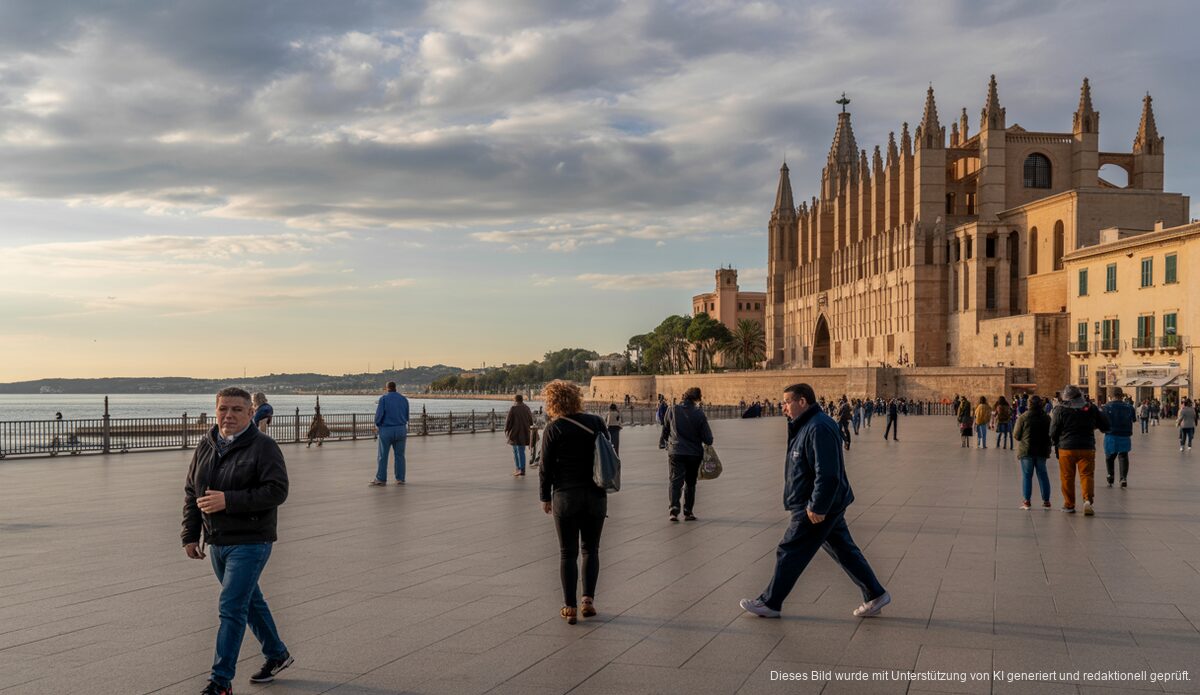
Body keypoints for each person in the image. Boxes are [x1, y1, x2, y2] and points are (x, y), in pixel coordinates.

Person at [739, 383, 890, 620]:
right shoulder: (807, 425)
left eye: (787, 402)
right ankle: (875, 594)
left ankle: (770, 602)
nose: (783, 407)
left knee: (790, 549)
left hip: (815, 505)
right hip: (822, 502)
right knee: (844, 550)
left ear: (802, 402)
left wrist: (817, 505)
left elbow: (828, 472)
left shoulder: (818, 427)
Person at [182, 387, 292, 695]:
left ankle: (220, 682)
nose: (228, 415)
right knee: (249, 600)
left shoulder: (264, 446)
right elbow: (192, 492)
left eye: (236, 410)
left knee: (231, 606)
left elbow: (277, 490)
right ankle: (277, 653)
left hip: (251, 540)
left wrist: (229, 500)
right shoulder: (206, 445)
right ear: (216, 410)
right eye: (223, 409)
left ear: (250, 413)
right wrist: (190, 534)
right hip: (217, 540)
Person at [538, 380, 609, 625]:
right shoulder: (596, 422)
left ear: (552, 402)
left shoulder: (554, 428)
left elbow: (545, 467)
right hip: (595, 494)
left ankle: (569, 606)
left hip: (565, 496)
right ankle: (587, 600)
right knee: (591, 550)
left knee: (568, 553)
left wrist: (545, 497)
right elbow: (607, 454)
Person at [1049, 384, 1110, 516]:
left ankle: (1069, 504)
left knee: (1067, 477)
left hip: (1066, 448)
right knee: (1087, 475)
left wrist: (1054, 443)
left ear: (1066, 396)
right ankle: (1087, 501)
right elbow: (1105, 425)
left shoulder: (1060, 409)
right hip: (1087, 447)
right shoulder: (1091, 408)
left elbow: (1053, 431)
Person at [660, 387, 714, 522]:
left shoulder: (672, 410)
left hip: (676, 451)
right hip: (694, 454)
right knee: (690, 482)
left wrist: (666, 442)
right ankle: (688, 512)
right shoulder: (699, 414)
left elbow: (665, 429)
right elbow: (708, 439)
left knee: (675, 481)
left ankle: (674, 510)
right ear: (697, 399)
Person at [1013, 395, 1053, 509]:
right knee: (1043, 475)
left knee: (1027, 476)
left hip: (1027, 450)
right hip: (1042, 450)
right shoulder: (1047, 418)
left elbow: (1016, 435)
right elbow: (1051, 433)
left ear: (1029, 404)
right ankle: (1046, 501)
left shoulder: (1023, 417)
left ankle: (1027, 501)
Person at [372, 381, 410, 486]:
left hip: (386, 430)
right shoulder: (404, 399)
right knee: (400, 455)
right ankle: (400, 479)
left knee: (383, 455)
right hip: (401, 429)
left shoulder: (383, 399)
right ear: (395, 387)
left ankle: (381, 479)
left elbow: (379, 416)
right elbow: (407, 416)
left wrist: (378, 425)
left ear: (387, 388)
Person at [1101, 387, 1136, 488]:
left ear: (1110, 396)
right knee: (1123, 456)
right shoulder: (1129, 407)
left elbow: (1102, 421)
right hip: (1125, 435)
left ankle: (1110, 476)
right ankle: (1123, 478)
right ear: (1121, 396)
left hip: (1111, 435)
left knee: (1109, 457)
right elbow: (1133, 420)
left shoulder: (1106, 407)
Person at [504, 394, 535, 476]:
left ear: (515, 400)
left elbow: (508, 421)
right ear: (522, 400)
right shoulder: (527, 408)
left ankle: (520, 469)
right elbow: (531, 420)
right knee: (521, 450)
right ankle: (520, 469)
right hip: (525, 432)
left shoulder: (513, 408)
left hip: (515, 433)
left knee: (516, 451)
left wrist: (506, 430)